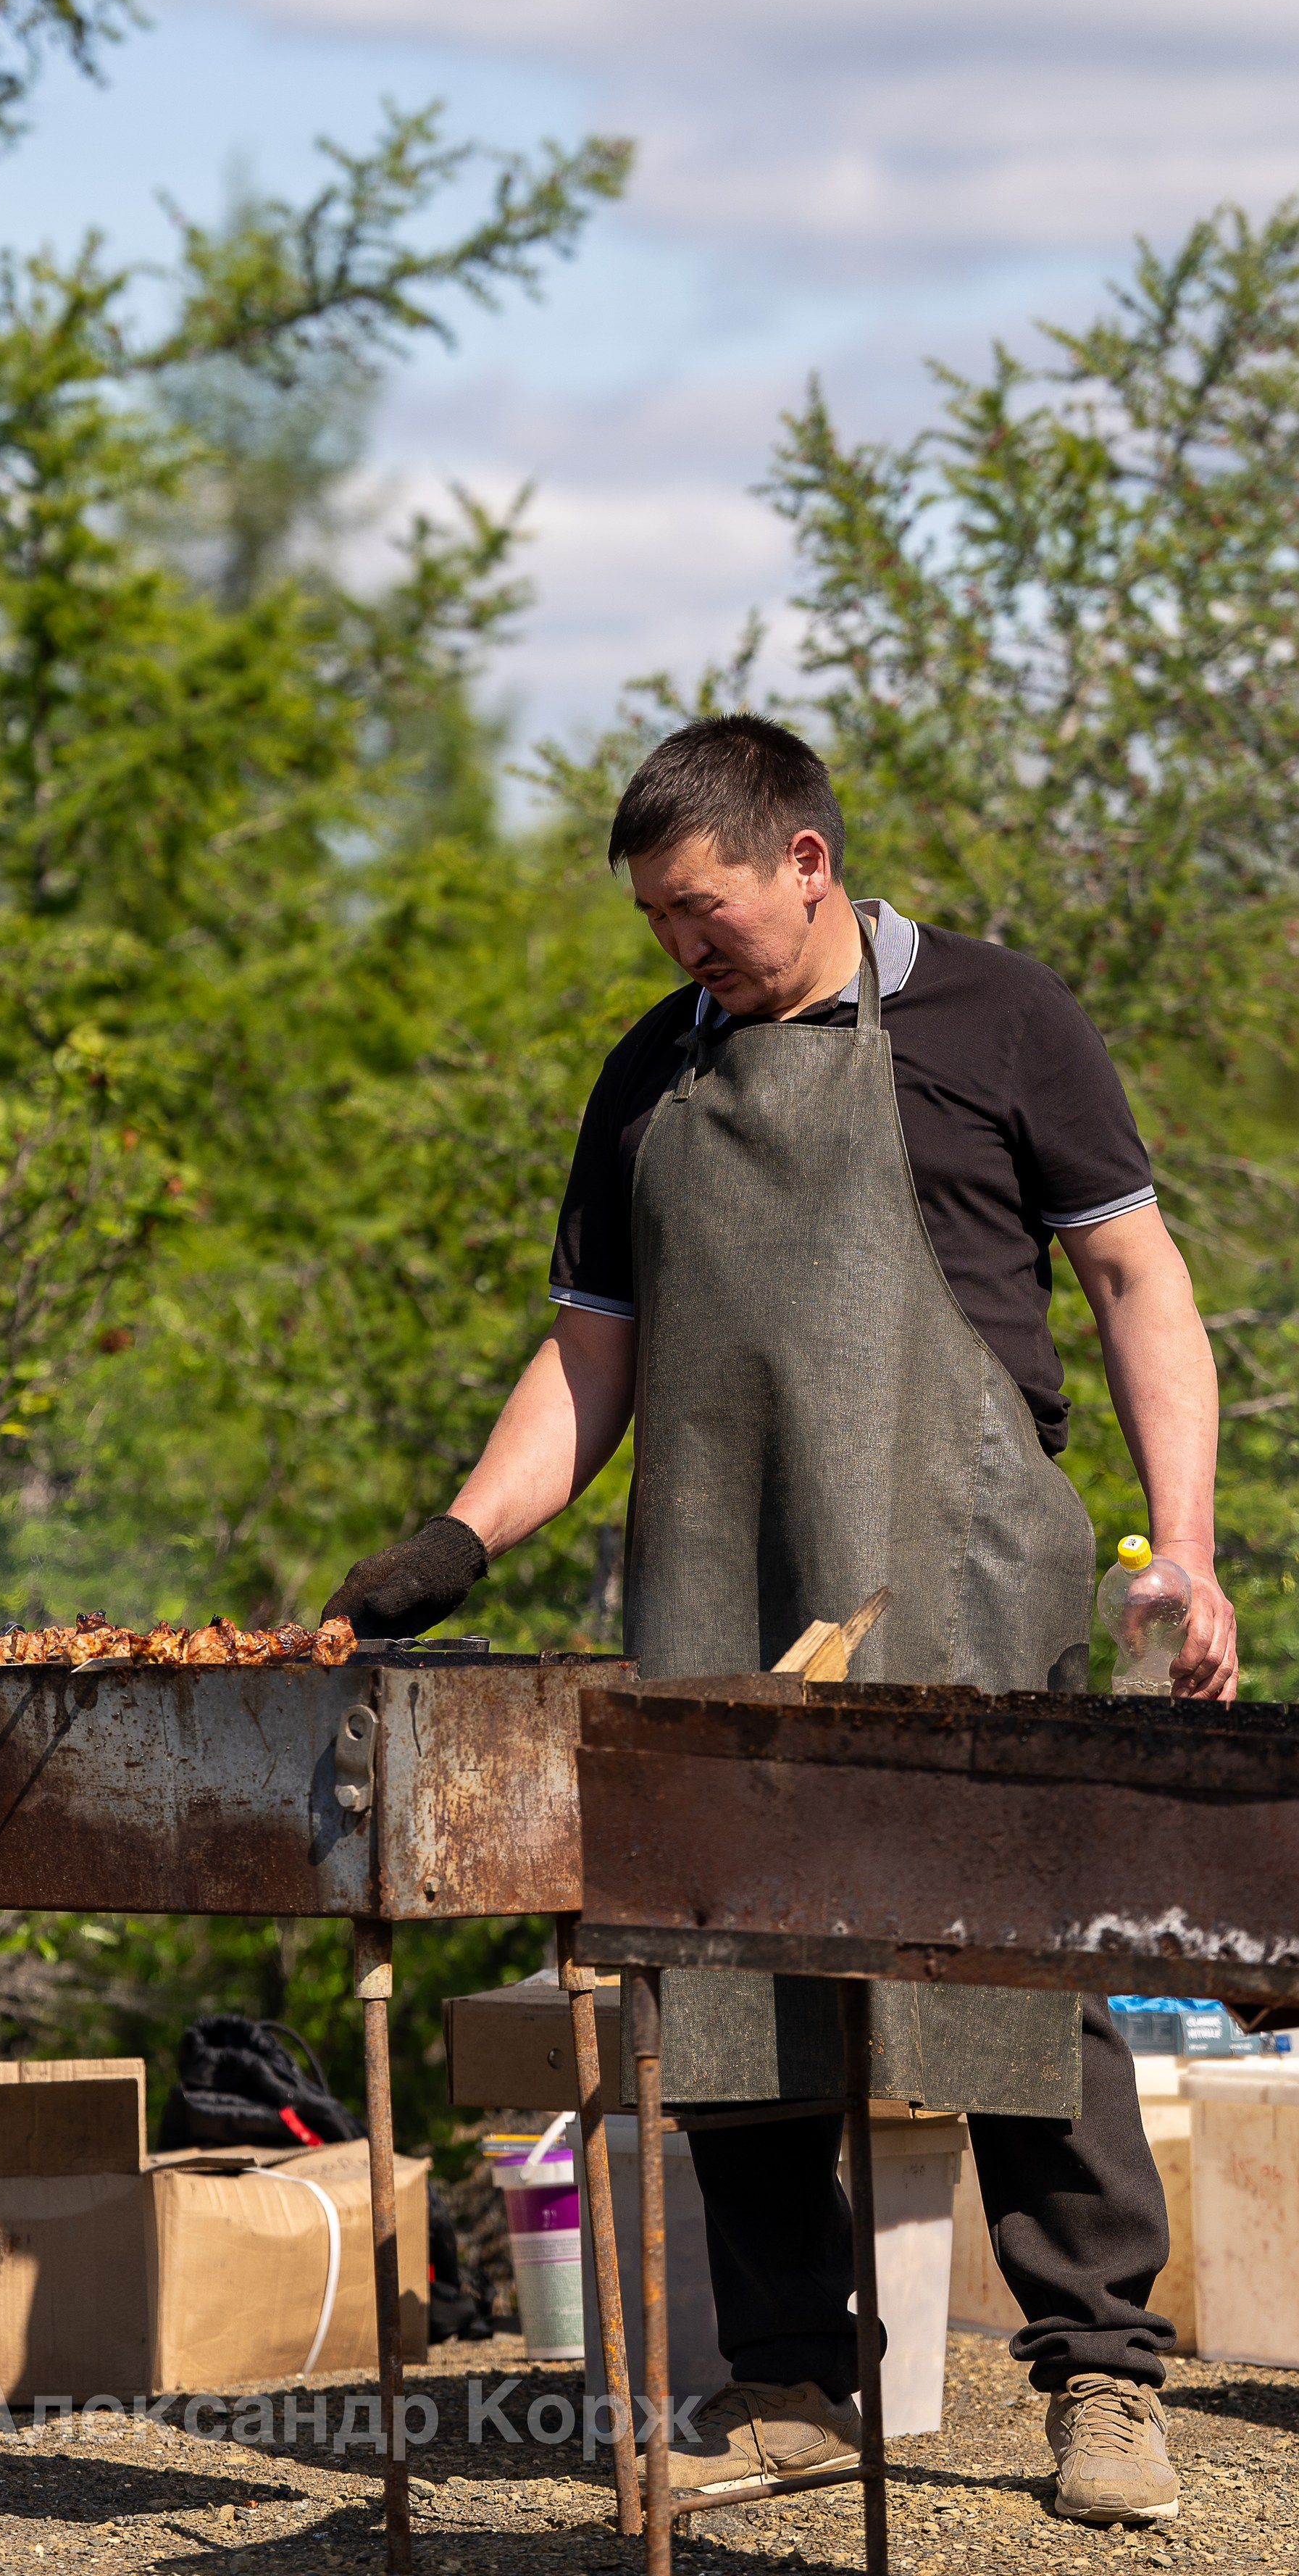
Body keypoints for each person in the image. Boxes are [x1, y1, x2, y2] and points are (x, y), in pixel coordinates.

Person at [324, 713, 1236, 2532]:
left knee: (1013, 1974)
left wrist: (1188, 1551)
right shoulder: (648, 1074)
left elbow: (1140, 1278)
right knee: (720, 1971)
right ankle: (790, 2372)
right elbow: (594, 1360)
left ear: (803, 857)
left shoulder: (996, 1019)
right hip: (719, 1576)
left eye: (702, 903)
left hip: (967, 1564)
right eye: (658, 917)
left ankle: (1101, 2381)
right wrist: (452, 1538)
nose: (683, 942)